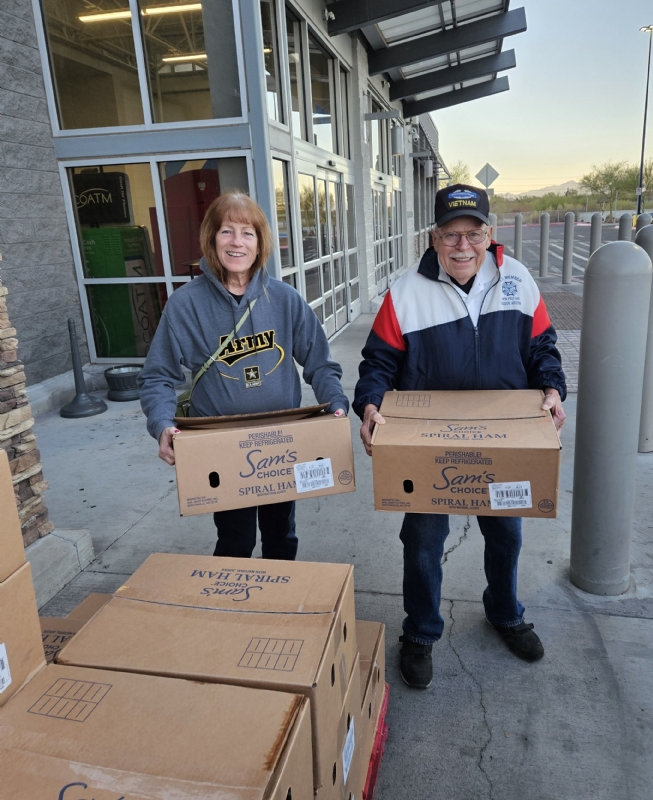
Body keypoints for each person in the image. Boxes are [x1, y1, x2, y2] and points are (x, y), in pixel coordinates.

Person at [353, 184, 567, 689]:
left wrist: (553, 388)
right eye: (451, 235)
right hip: (430, 445)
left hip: (505, 439)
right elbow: (378, 362)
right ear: (434, 238)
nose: (463, 245)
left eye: (473, 233)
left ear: (489, 234)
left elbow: (543, 347)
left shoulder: (517, 280)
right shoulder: (405, 291)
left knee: (506, 534)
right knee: (424, 540)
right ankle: (422, 631)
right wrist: (369, 403)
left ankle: (504, 612)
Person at [138, 191, 349, 560]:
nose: (237, 242)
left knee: (282, 535)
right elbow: (157, 377)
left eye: (247, 233)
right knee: (236, 540)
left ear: (260, 242)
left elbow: (320, 362)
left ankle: (276, 608)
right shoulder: (186, 305)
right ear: (211, 239)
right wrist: (162, 424)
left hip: (282, 443)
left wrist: (336, 404)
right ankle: (237, 611)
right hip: (223, 445)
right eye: (227, 231)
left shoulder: (284, 299)